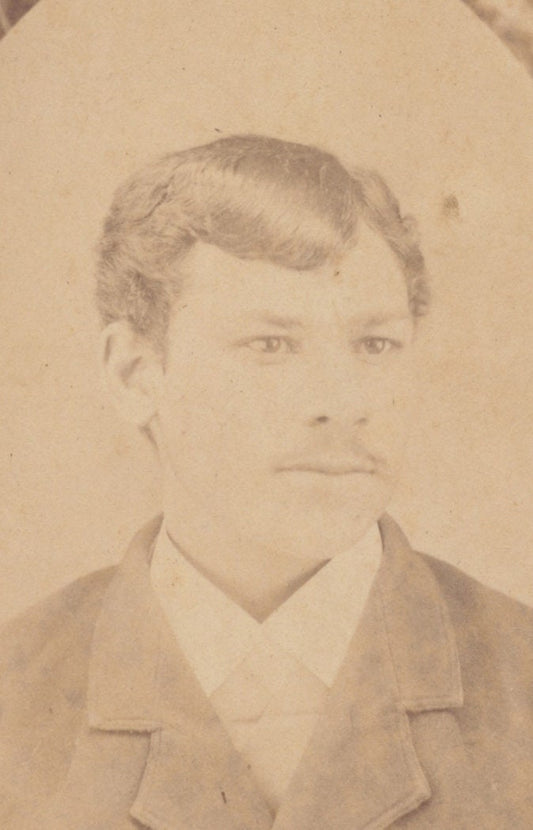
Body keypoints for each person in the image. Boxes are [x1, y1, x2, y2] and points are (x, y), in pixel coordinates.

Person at [0, 135, 532, 829]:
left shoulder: (519, 675)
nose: (343, 400)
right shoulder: (17, 692)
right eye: (270, 345)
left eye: (375, 344)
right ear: (135, 373)